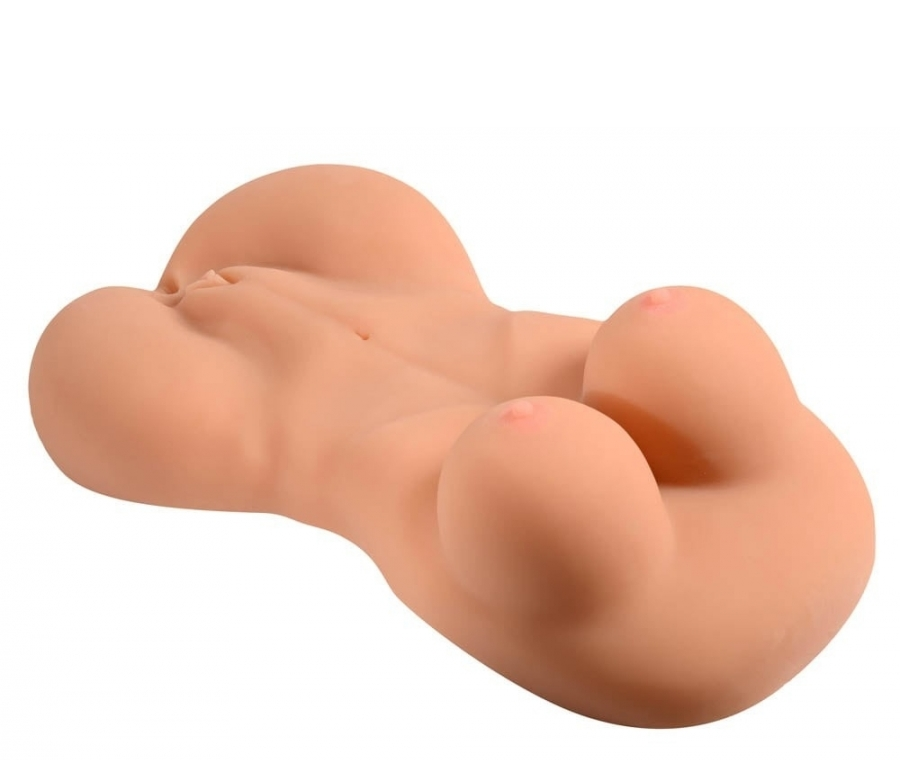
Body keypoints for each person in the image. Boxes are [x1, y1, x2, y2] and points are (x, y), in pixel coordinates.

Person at [28, 164, 875, 727]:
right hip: (371, 288)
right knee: (661, 354)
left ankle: (566, 470)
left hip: (266, 392)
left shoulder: (593, 565)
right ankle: (603, 436)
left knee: (555, 458)